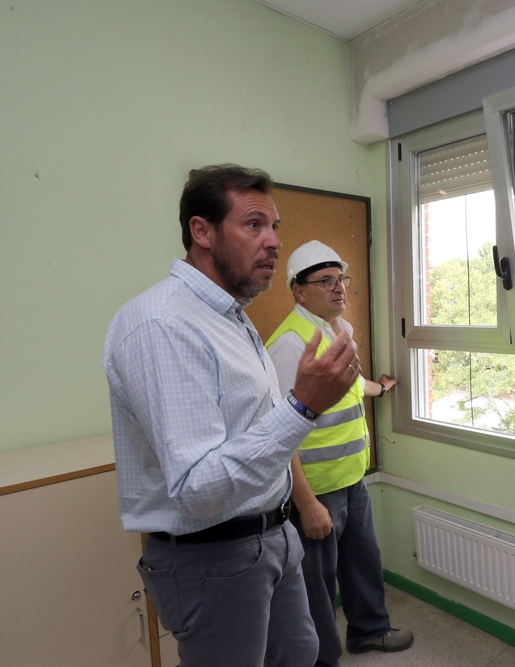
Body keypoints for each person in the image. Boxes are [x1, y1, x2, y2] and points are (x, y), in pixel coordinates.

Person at [104, 165, 363, 667]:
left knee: (301, 653)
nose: (273, 242)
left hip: (273, 535)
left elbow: (255, 429)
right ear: (201, 231)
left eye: (275, 227)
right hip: (212, 556)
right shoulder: (164, 324)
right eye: (253, 225)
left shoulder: (230, 316)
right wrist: (304, 405)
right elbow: (198, 489)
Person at [265, 240, 412, 667]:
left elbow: (351, 386)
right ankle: (321, 658)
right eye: (324, 281)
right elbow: (279, 433)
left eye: (340, 279)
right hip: (316, 489)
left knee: (364, 561)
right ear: (298, 290)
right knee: (316, 585)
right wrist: (306, 503)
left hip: (353, 478)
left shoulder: (339, 331)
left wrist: (380, 389)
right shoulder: (291, 345)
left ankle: (369, 631)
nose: (338, 289)